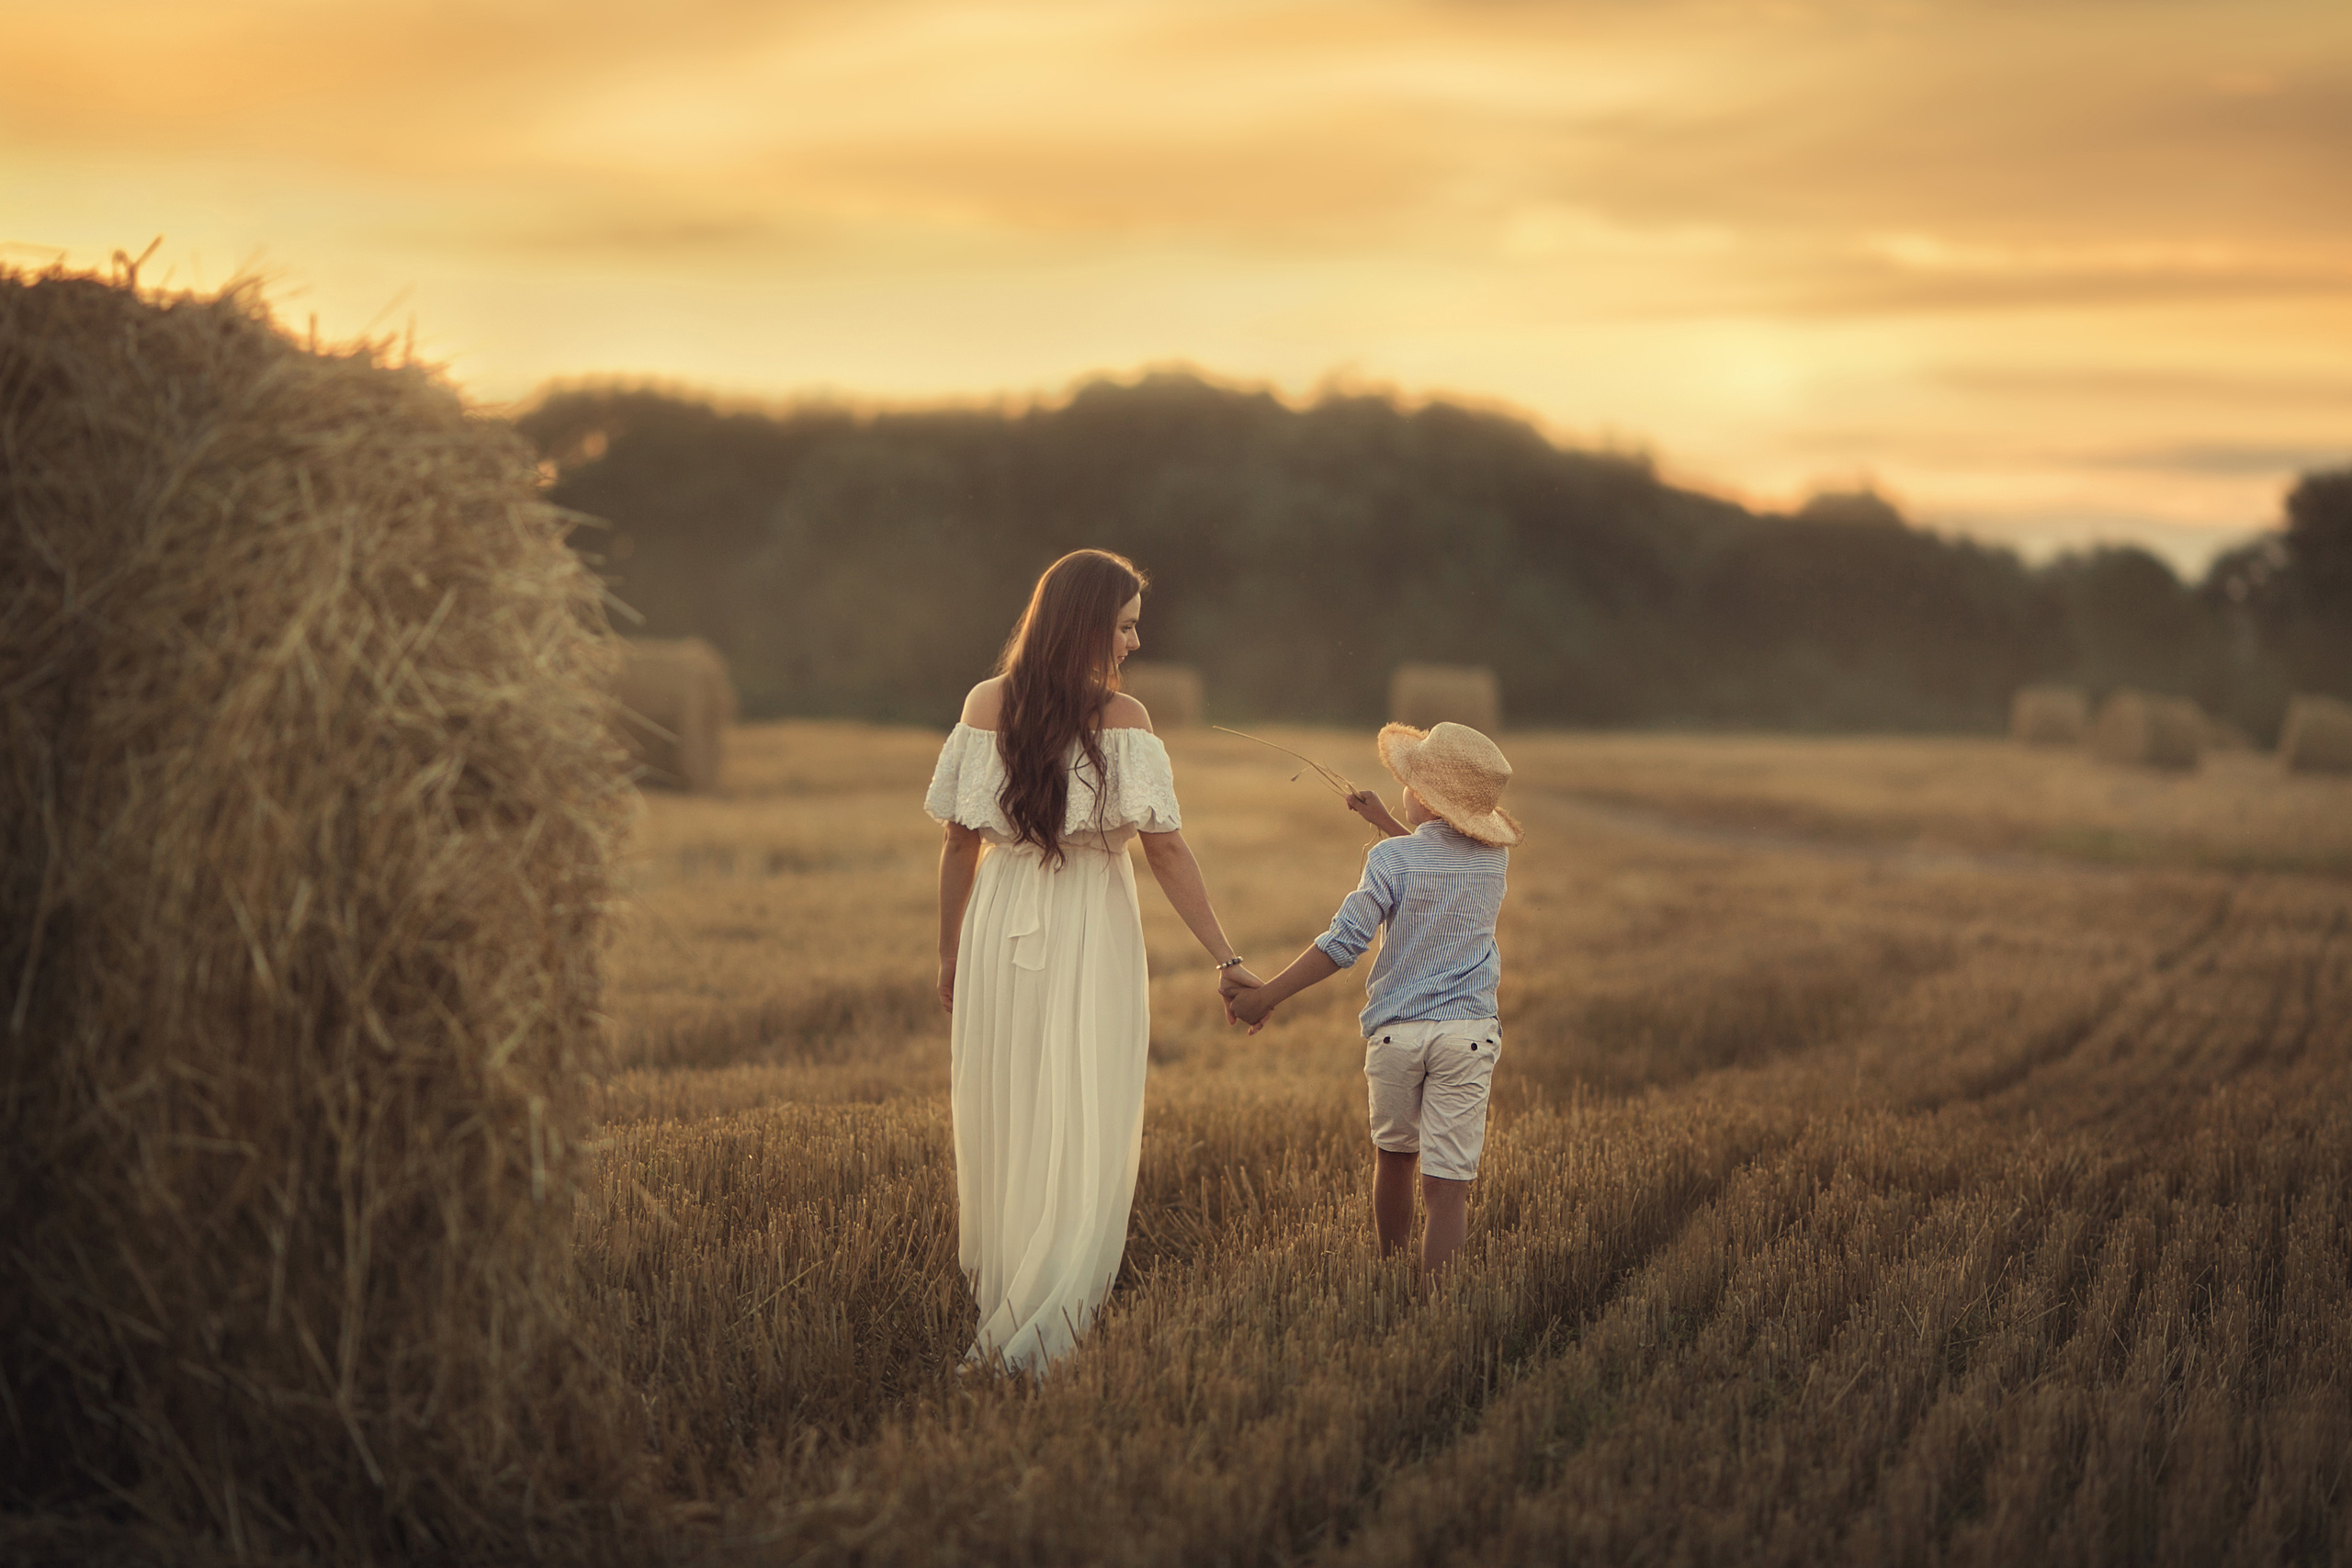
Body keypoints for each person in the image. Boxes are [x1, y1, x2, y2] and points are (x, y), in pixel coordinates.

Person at [925, 548, 1256, 1371]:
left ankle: (1013, 1283)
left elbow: (958, 845)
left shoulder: (983, 703)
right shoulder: (1126, 720)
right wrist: (1227, 955)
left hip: (1000, 923)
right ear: (1087, 625)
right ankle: (1054, 1297)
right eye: (1127, 626)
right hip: (1088, 922)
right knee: (1083, 1101)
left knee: (1012, 1100)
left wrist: (950, 951)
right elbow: (1168, 851)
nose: (1136, 644)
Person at [1224, 722, 1521, 1286]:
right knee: (1447, 1188)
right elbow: (1440, 856)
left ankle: (1390, 1276)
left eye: (1409, 783)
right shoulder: (1492, 861)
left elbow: (1341, 947)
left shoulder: (1390, 861)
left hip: (1397, 1037)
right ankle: (1437, 1308)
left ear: (1423, 798)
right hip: (1468, 1035)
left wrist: (1265, 996)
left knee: (1395, 1160)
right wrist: (1386, 823)